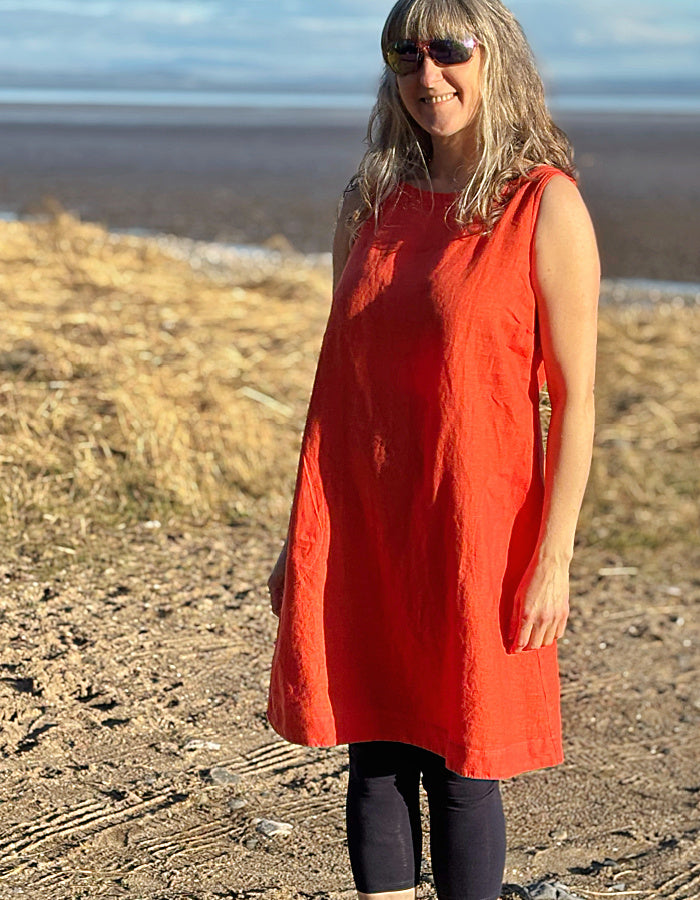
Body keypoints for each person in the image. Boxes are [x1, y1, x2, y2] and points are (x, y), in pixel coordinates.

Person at [266, 0, 599, 897]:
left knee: (463, 758)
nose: (427, 74)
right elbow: (339, 380)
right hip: (369, 518)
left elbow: (573, 400)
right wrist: (300, 543)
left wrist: (554, 556)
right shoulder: (370, 201)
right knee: (373, 749)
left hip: (477, 523)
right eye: (404, 54)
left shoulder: (542, 204)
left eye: (449, 50)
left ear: (497, 59)